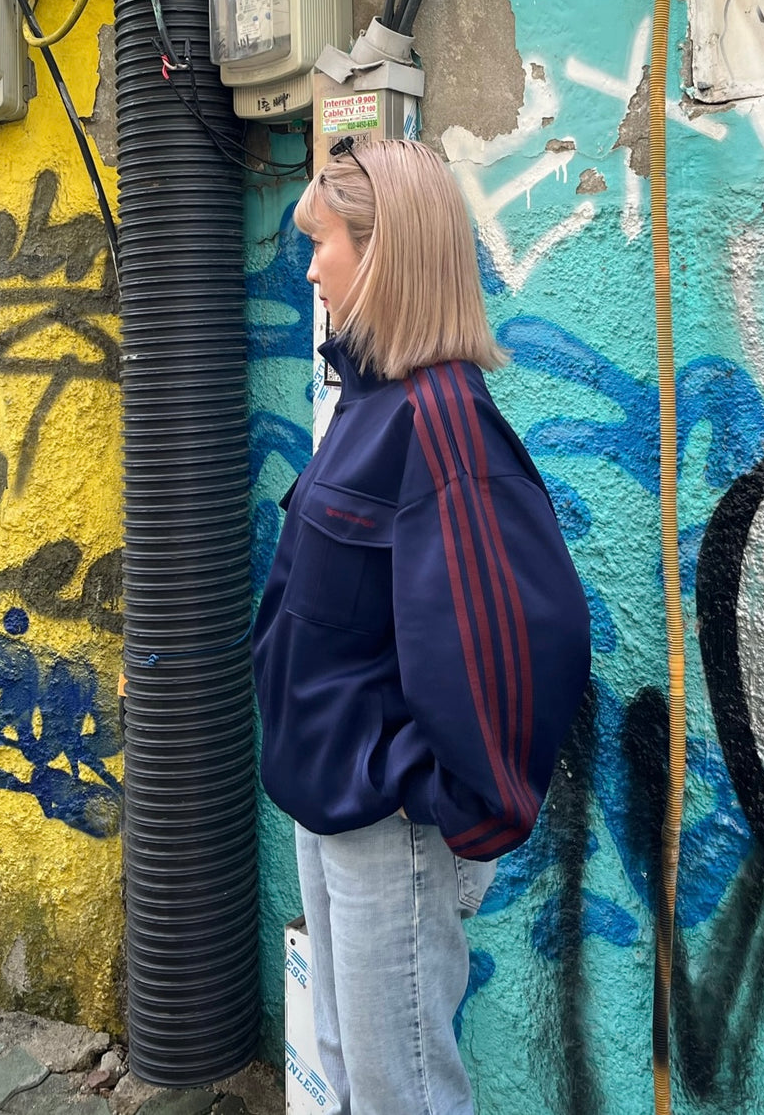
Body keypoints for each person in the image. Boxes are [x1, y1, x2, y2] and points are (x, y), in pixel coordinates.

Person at [252, 137, 591, 1115]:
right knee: (350, 1070)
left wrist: (437, 797)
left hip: (384, 824)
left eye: (323, 243)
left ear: (384, 252)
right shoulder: (368, 406)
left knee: (403, 1090)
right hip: (326, 802)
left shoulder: (442, 420)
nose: (309, 269)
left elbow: (528, 635)